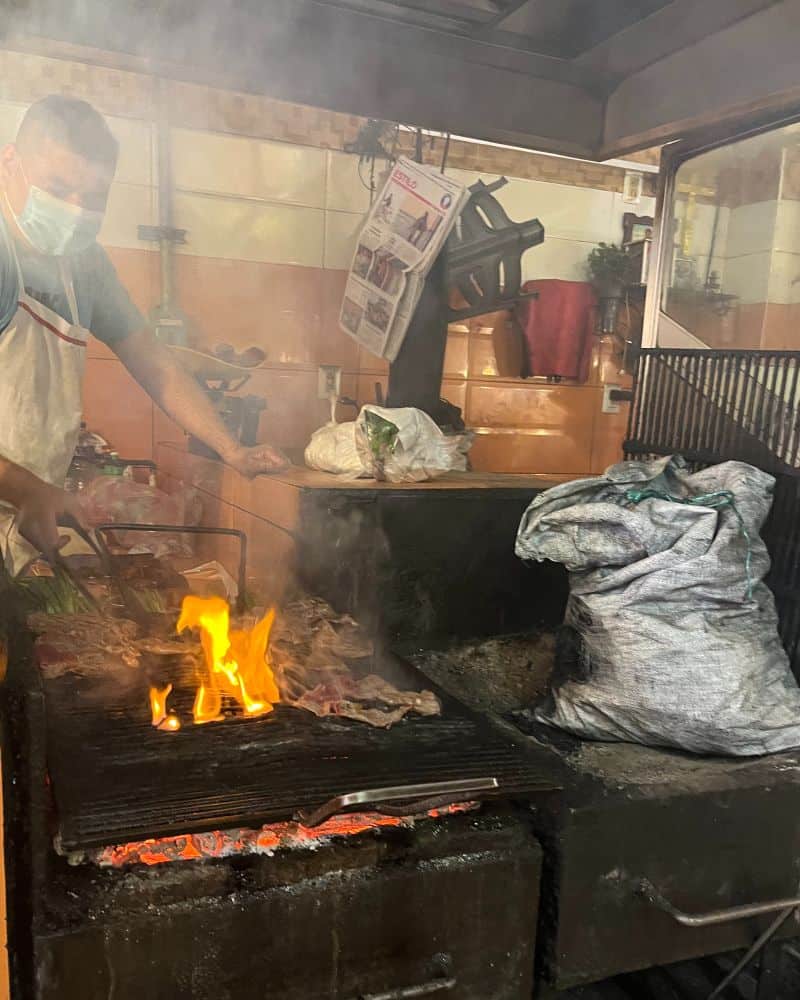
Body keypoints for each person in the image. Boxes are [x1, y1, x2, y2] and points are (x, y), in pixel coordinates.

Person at [0, 95, 287, 573]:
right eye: (57, 187)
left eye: (93, 198)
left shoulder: (85, 265)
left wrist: (230, 448)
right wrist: (28, 489)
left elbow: (153, 361)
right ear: (9, 161)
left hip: (23, 512)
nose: (75, 210)